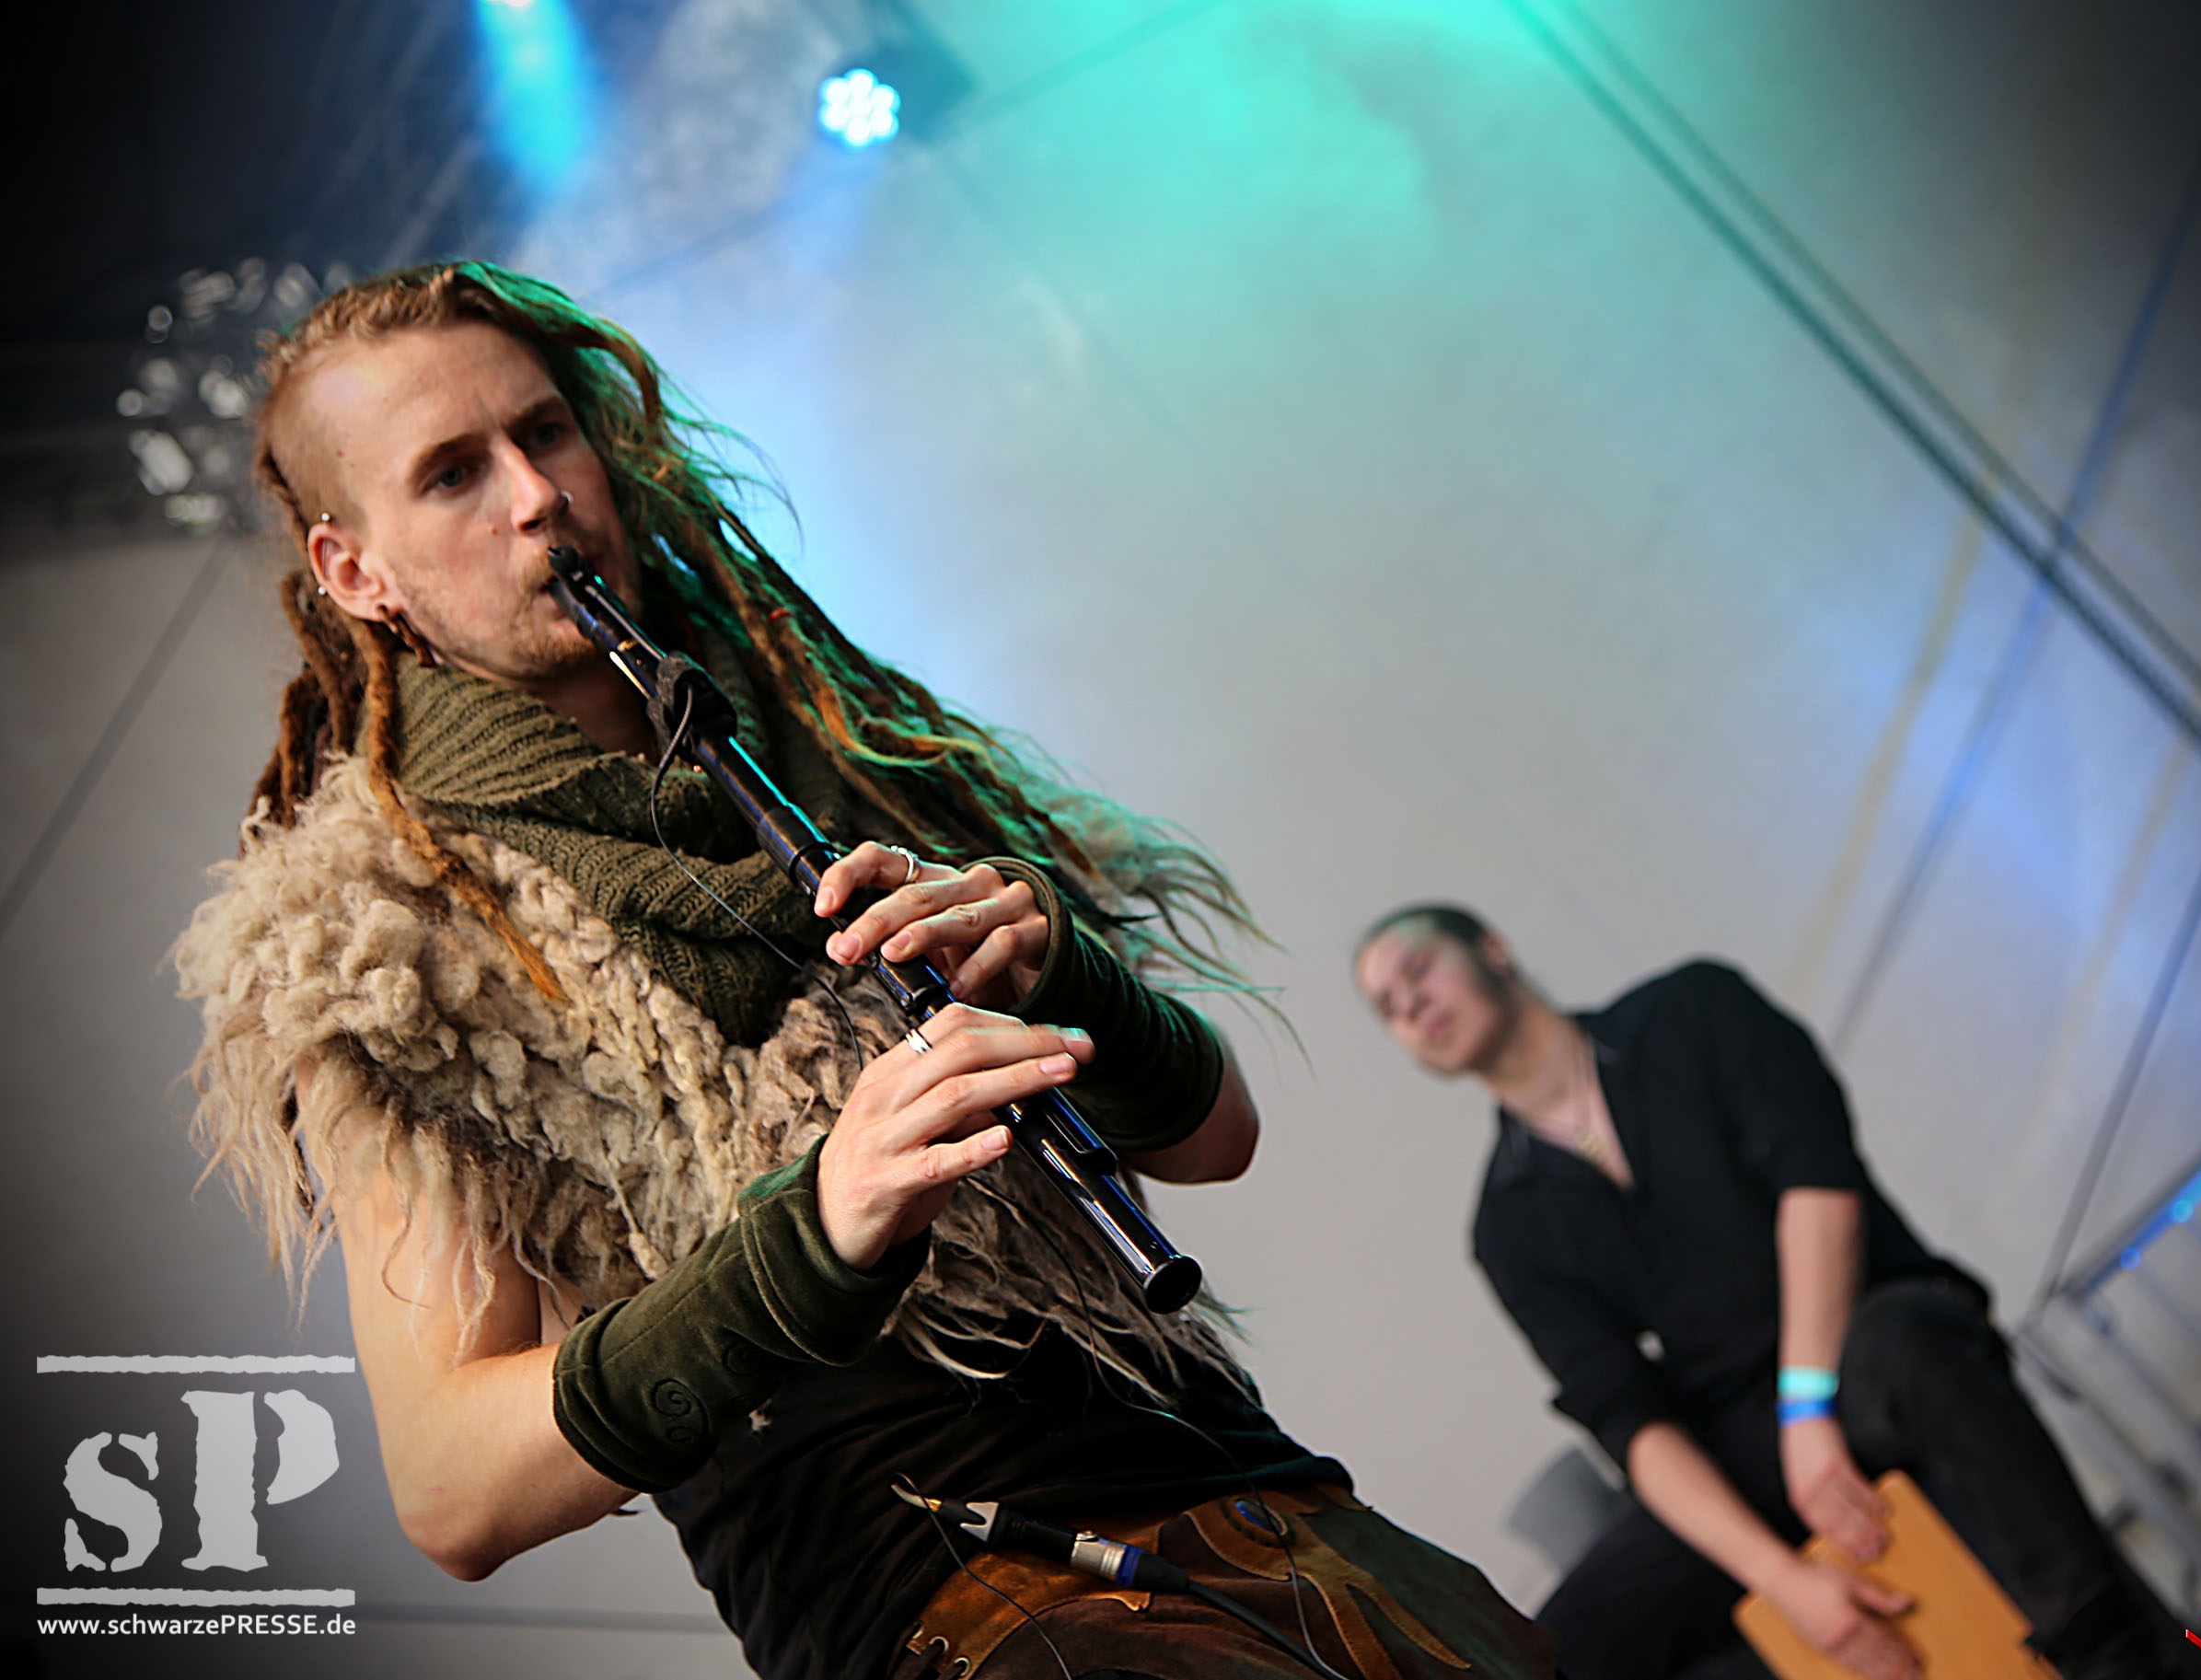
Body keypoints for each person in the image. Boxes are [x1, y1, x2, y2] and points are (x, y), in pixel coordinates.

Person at [172, 261, 1556, 1680]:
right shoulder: (384, 936)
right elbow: (448, 1487)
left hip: (1257, 1511)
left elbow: (1214, 1139)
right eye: (453, 473)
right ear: (358, 572)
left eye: (545, 432)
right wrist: (810, 1241)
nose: (536, 495)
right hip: (941, 1604)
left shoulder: (837, 746)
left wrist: (1064, 973)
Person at [1351, 906, 2195, 1680]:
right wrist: (1785, 1580)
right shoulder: (1507, 1225)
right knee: (1560, 1650)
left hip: (1861, 1341)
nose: (1411, 1006)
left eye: (1419, 969)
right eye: (1388, 1007)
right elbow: (1628, 1417)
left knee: (1913, 1341)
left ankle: (2112, 1656)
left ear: (1493, 949)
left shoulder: (1694, 1010)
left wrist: (1807, 1406)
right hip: (1739, 1438)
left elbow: (1818, 1184)